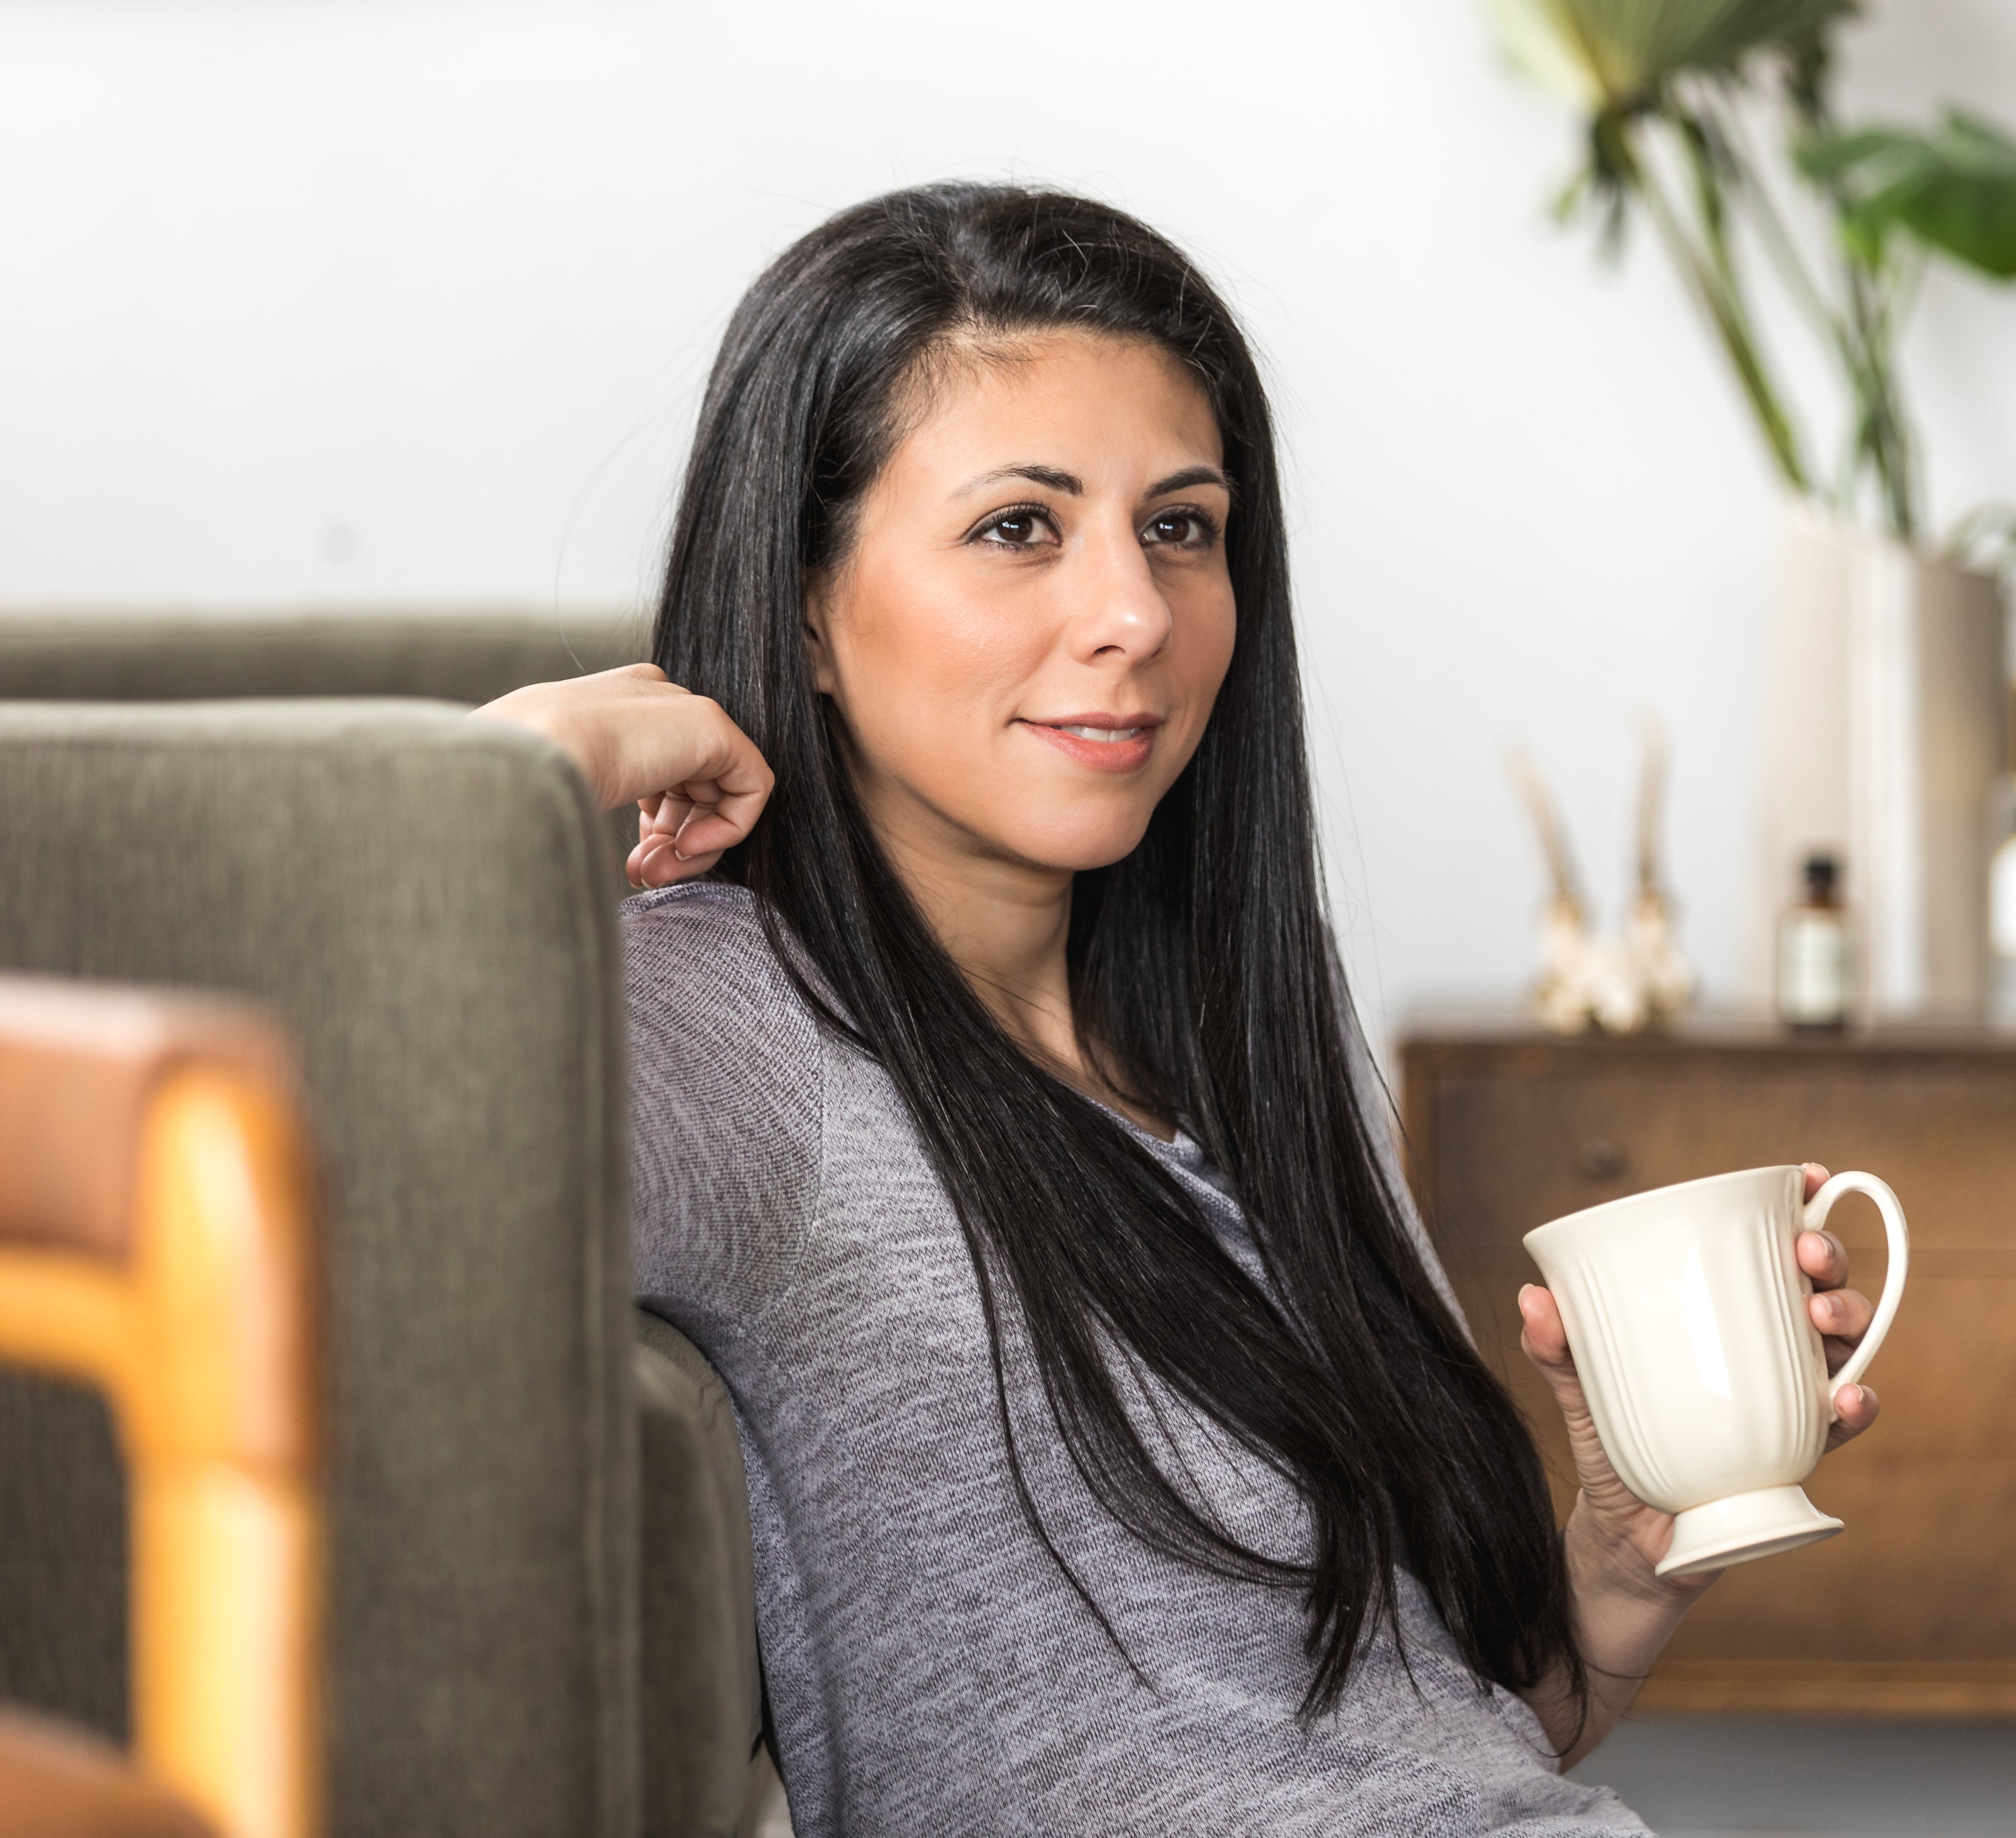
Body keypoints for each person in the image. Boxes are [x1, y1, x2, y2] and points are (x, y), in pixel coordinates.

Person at [479, 183, 1879, 1835]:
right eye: (1020, 527)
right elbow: (212, 1180)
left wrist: (1618, 1563)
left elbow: (1390, 1757)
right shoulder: (725, 1025)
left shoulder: (1247, 1049)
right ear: (806, 608)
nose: (1134, 612)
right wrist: (503, 781)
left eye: (1182, 525)